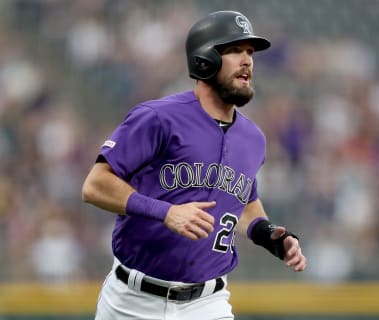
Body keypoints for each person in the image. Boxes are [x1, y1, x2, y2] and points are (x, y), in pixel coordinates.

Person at [82, 10, 307, 320]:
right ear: (204, 59)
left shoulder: (253, 139)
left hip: (207, 303)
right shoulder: (158, 117)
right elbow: (95, 185)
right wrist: (166, 213)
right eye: (234, 50)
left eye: (250, 52)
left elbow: (242, 202)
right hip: (131, 301)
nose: (247, 61)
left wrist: (269, 235)